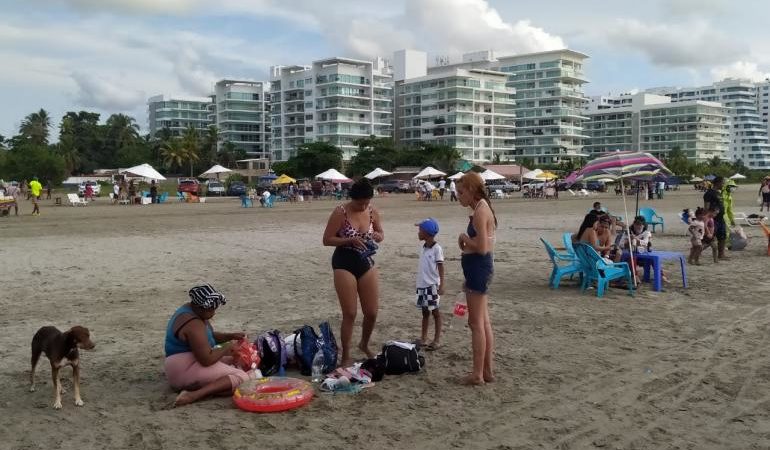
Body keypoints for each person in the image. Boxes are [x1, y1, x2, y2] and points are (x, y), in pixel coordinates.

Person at [323, 178, 384, 367]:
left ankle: (364, 344)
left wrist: (377, 236)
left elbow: (381, 234)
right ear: (352, 199)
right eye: (360, 203)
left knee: (372, 312)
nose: (363, 206)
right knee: (350, 313)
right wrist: (348, 240)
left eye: (366, 202)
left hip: (365, 261)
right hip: (344, 262)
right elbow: (327, 240)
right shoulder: (340, 212)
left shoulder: (372, 211)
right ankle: (346, 355)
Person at [164, 284, 254, 407]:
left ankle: (211, 386)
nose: (213, 313)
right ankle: (193, 395)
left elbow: (207, 337)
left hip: (185, 362)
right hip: (183, 370)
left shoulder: (191, 311)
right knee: (242, 377)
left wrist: (230, 336)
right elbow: (207, 359)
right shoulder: (193, 323)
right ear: (198, 307)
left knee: (237, 359)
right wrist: (228, 346)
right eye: (210, 309)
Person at [456, 171, 496, 385]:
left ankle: (477, 374)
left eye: (461, 192)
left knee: (476, 324)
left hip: (478, 268)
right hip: (479, 269)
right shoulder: (482, 209)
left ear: (471, 190)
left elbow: (482, 247)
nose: (459, 197)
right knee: (484, 322)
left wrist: (464, 238)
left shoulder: (481, 212)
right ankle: (487, 371)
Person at [414, 218, 444, 351]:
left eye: (420, 230)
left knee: (435, 312)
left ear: (426, 232)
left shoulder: (437, 249)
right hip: (422, 285)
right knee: (425, 312)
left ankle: (436, 340)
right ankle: (424, 338)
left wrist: (441, 284)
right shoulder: (424, 247)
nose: (418, 233)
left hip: (431, 286)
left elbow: (441, 266)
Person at [704, 176, 728, 260]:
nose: (724, 184)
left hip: (721, 218)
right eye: (723, 183)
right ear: (718, 183)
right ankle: (697, 251)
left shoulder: (719, 192)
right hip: (713, 219)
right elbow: (706, 207)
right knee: (709, 239)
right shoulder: (709, 193)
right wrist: (707, 218)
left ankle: (721, 255)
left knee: (722, 237)